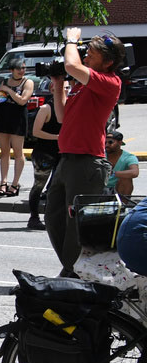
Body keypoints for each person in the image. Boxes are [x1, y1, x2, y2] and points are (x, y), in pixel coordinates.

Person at [46, 29, 126, 277]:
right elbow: (62, 116)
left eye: (91, 55)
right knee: (53, 218)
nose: (86, 57)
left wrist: (71, 41)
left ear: (108, 61)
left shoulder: (110, 83)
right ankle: (73, 270)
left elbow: (71, 64)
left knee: (75, 227)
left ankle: (73, 275)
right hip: (67, 159)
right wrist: (58, 85)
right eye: (86, 53)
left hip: (87, 164)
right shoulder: (82, 86)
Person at [0, 59, 34, 196]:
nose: (21, 70)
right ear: (12, 70)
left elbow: (22, 100)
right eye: (18, 68)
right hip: (4, 117)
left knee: (18, 152)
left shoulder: (28, 82)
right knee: (4, 152)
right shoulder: (5, 81)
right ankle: (3, 182)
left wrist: (8, 90)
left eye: (23, 68)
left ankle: (15, 184)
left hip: (18, 118)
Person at [26, 82, 62, 230]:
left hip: (62, 153)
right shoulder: (46, 108)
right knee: (39, 185)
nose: (65, 89)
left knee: (57, 187)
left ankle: (53, 218)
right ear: (52, 89)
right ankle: (34, 217)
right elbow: (36, 132)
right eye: (62, 87)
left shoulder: (68, 108)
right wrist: (57, 137)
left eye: (67, 87)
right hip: (44, 153)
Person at [104, 130, 138, 198]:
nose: (107, 145)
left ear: (120, 143)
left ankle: (122, 206)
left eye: (110, 142)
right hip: (98, 188)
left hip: (117, 189)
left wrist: (113, 173)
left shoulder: (129, 157)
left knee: (126, 179)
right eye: (105, 142)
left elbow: (135, 172)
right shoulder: (100, 155)